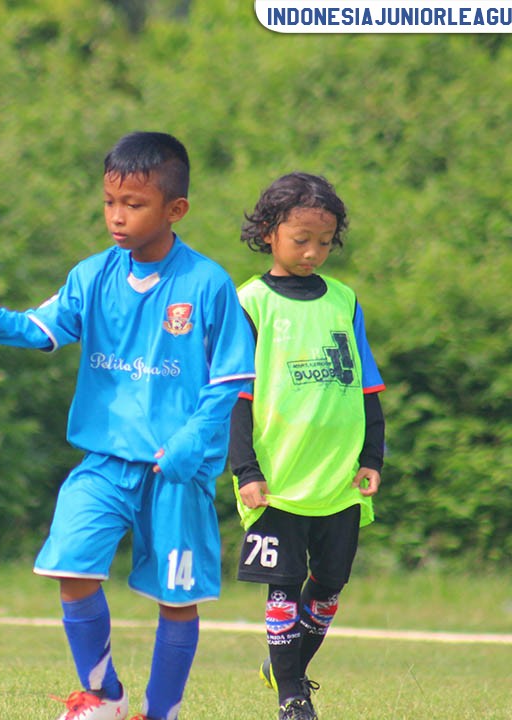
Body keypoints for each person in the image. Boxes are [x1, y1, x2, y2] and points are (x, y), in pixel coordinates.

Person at [0, 131, 256, 720]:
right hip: (104, 462)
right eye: (109, 202)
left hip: (176, 469)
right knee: (70, 568)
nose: (116, 216)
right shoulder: (92, 275)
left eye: (133, 205)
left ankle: (162, 714)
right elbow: (38, 328)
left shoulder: (207, 284)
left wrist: (192, 442)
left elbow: (233, 379)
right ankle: (105, 697)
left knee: (176, 600)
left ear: (175, 209)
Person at [228, 172, 386, 720]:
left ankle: (284, 663)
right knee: (282, 583)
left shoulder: (344, 301)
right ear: (269, 231)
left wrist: (372, 458)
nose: (314, 251)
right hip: (276, 477)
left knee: (330, 584)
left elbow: (366, 386)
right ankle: (292, 694)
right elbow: (235, 398)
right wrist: (245, 469)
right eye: (301, 239)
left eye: (325, 240)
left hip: (339, 477)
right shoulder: (248, 303)